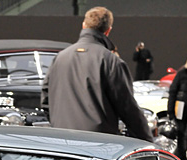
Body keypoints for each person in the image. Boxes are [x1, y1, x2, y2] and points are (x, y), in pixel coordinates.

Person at [41, 6, 151, 141]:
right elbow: (127, 108)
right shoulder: (111, 61)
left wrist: (58, 124)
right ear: (108, 31)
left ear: (83, 25)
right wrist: (147, 140)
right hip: (98, 142)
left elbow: (46, 98)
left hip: (63, 140)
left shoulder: (60, 58)